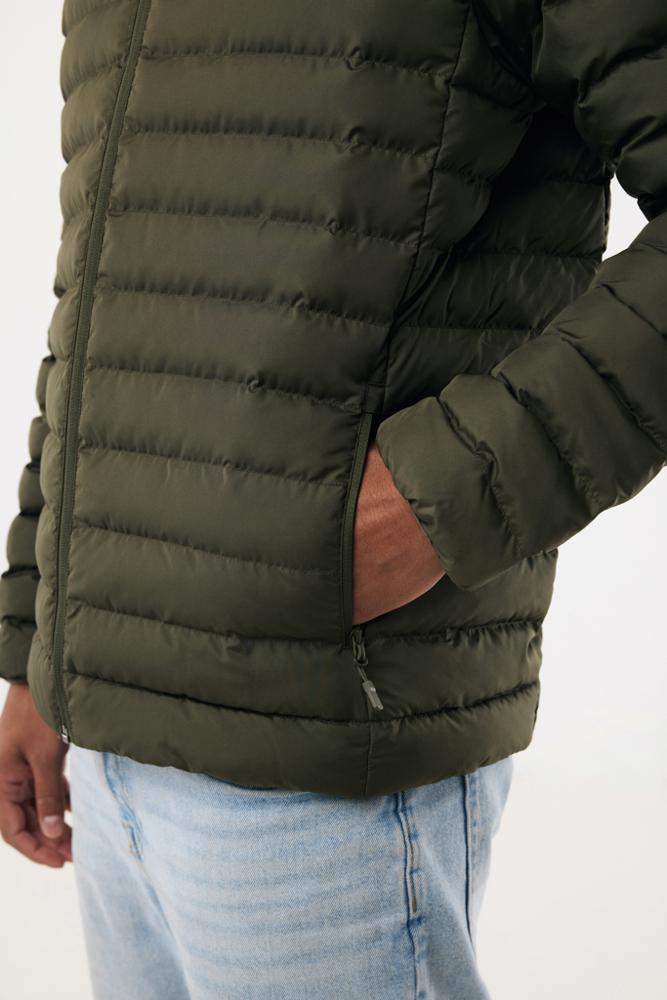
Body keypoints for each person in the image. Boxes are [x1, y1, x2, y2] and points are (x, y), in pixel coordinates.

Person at [1, 0, 665, 996]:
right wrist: (34, 640)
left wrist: (445, 494)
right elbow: (98, 301)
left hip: (322, 747)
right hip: (101, 752)